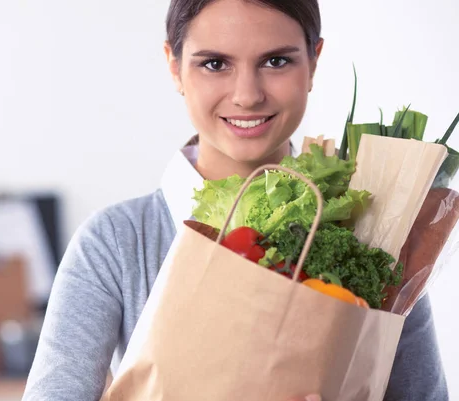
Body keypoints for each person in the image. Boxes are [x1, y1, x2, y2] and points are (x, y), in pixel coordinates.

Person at [22, 0, 449, 400]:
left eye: (276, 61)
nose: (247, 95)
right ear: (173, 65)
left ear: (314, 61)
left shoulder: (379, 233)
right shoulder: (117, 241)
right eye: (214, 64)